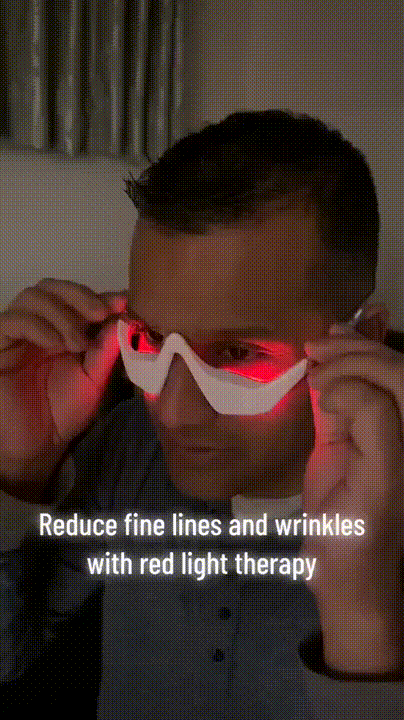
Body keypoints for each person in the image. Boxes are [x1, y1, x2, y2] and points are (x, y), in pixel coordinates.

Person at [0, 110, 402, 719]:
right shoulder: (128, 449)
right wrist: (14, 475)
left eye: (236, 355)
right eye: (150, 341)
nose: (175, 413)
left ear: (361, 339)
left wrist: (362, 623)